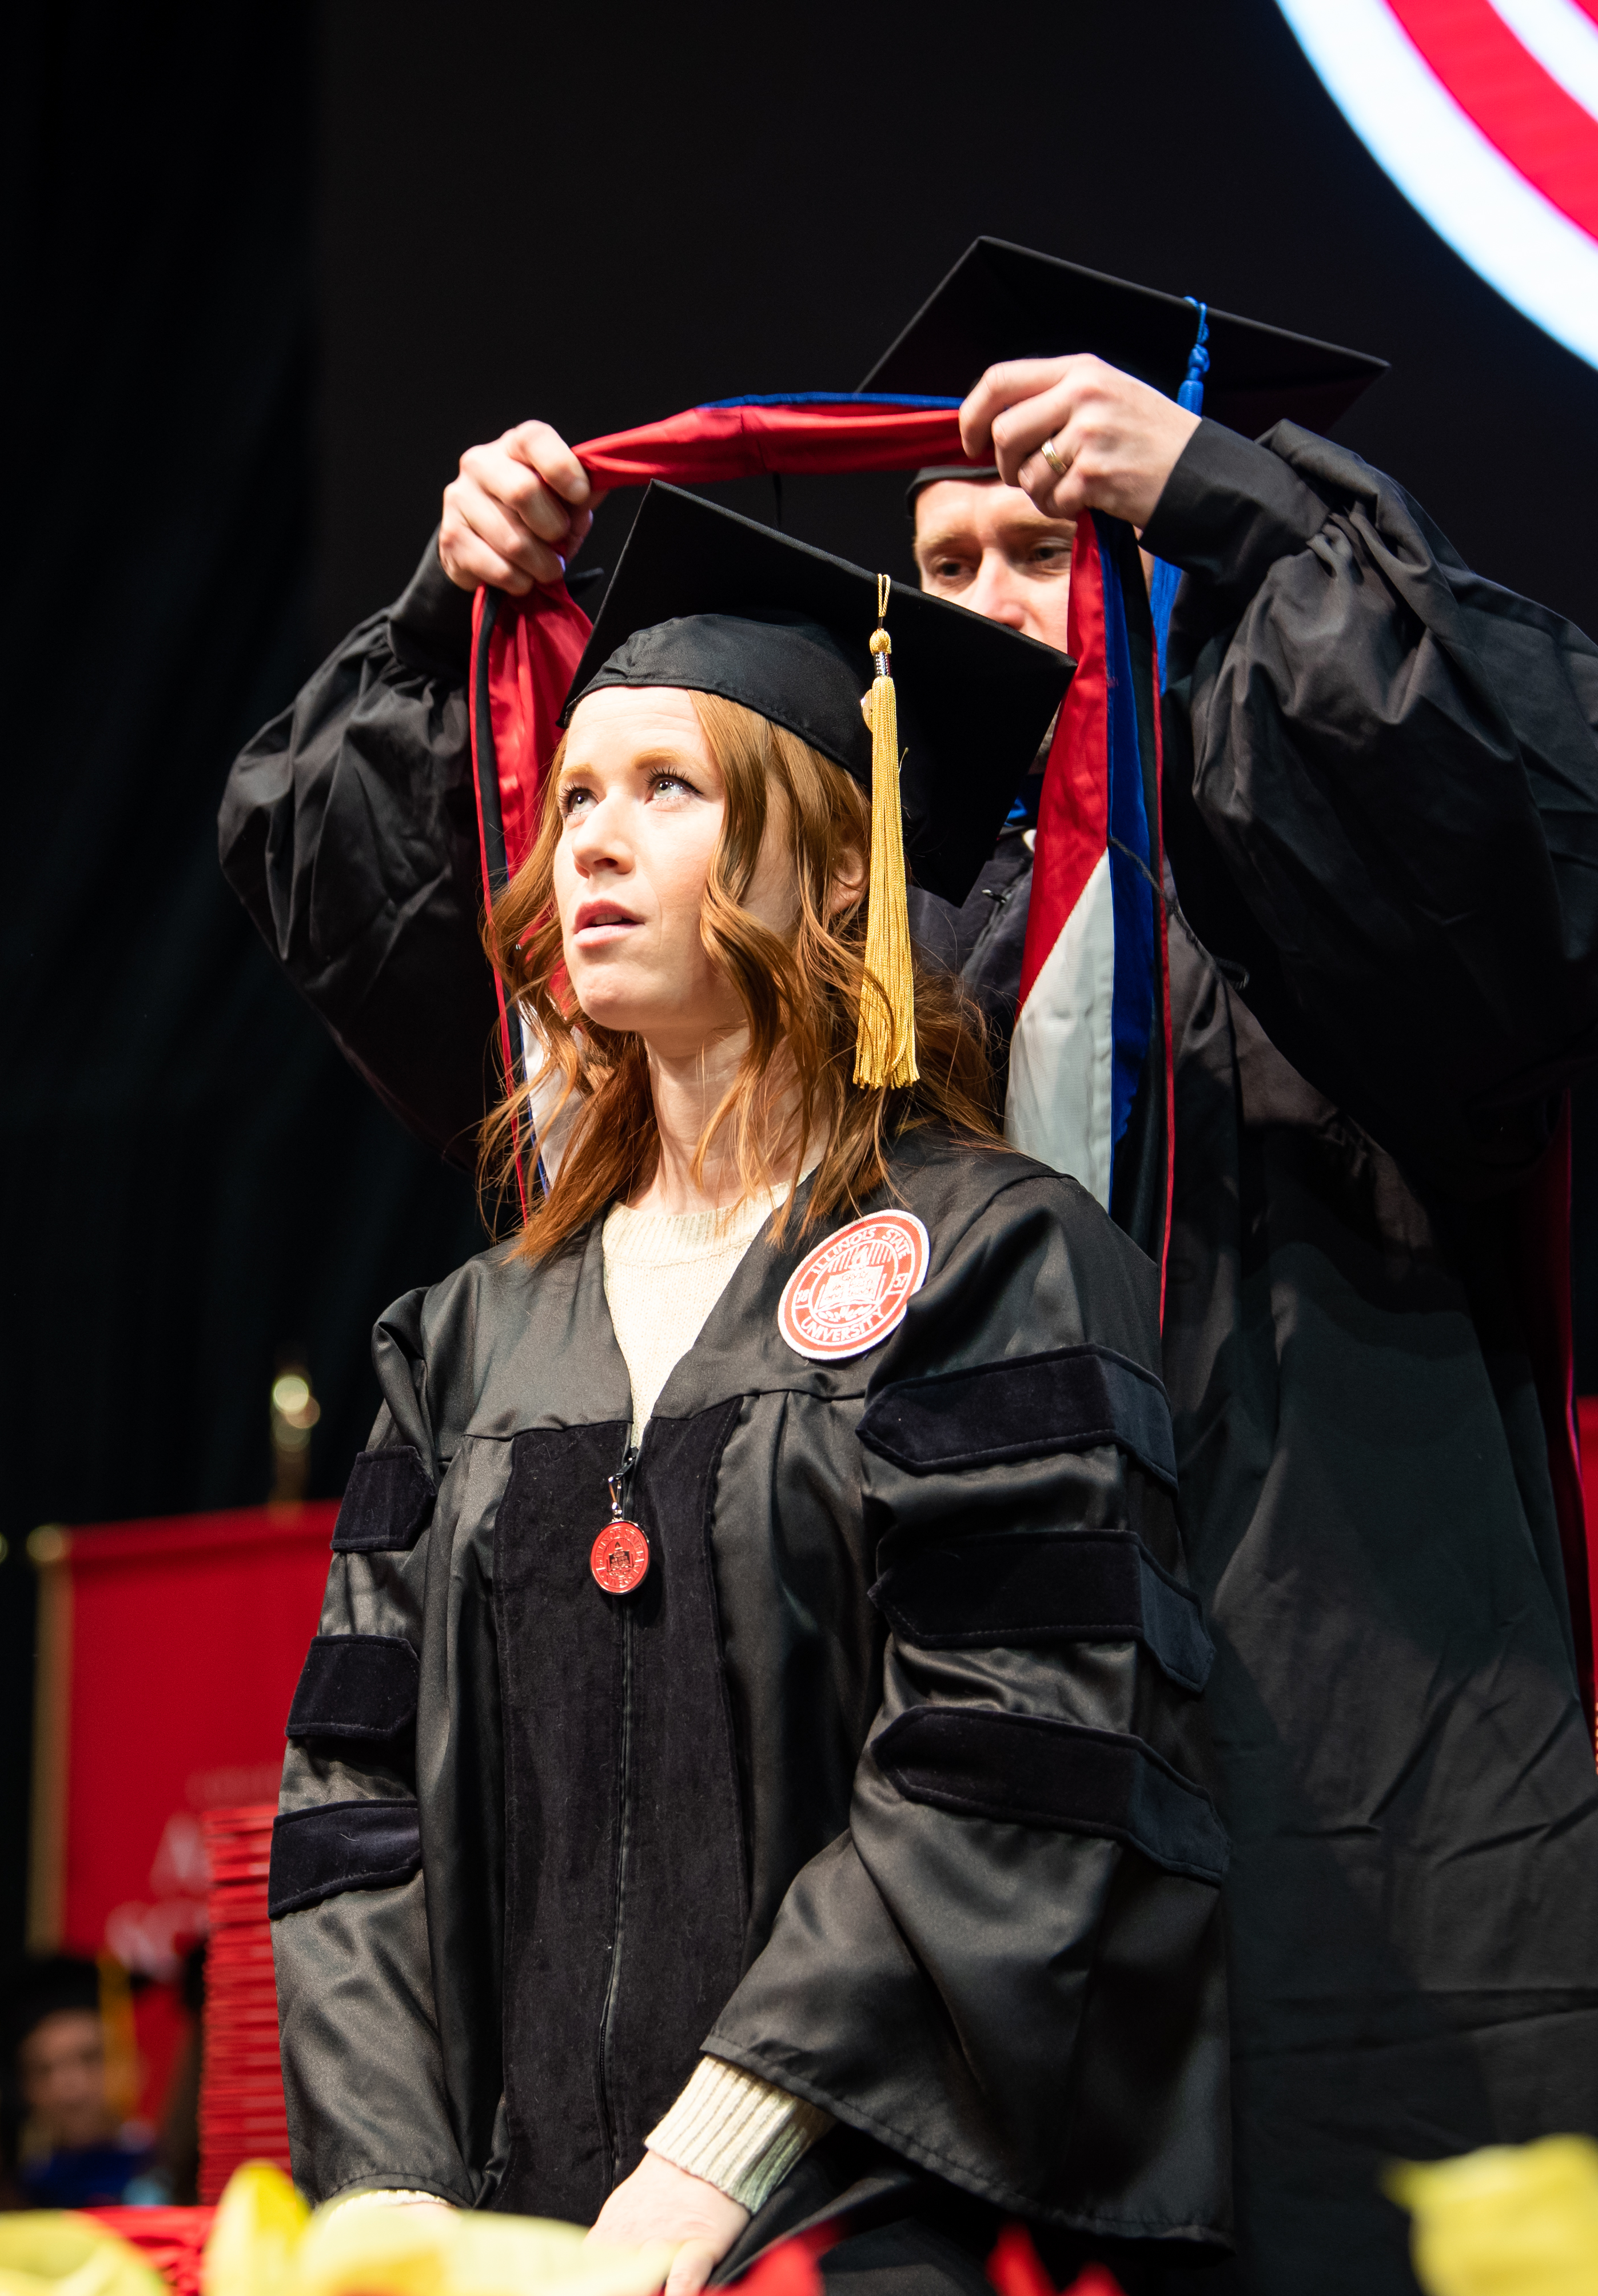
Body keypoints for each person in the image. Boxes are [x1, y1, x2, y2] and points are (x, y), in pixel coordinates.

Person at [222, 242, 1598, 2295]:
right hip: (916, 1932)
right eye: (946, 561)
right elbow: (451, 946)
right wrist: (444, 617)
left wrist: (1226, 500)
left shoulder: (1318, 904)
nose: (997, 599)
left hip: (1315, 1787)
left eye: (1047, 542)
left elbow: (1589, 850)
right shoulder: (875, 986)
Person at [270, 486, 1230, 2296]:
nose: (593, 843)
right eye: (575, 797)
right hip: (510, 2241)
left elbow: (1008, 1752)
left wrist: (714, 2165)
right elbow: (355, 1798)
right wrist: (391, 2194)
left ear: (839, 869)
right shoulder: (466, 1337)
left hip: (867, 2226)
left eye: (668, 790)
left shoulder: (996, 1261)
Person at [0, 1956, 167, 2209]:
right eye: (44, 2070)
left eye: (91, 2058)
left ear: (135, 2067)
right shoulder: (10, 2206)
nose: (70, 2090)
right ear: (25, 2089)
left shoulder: (175, 2181)